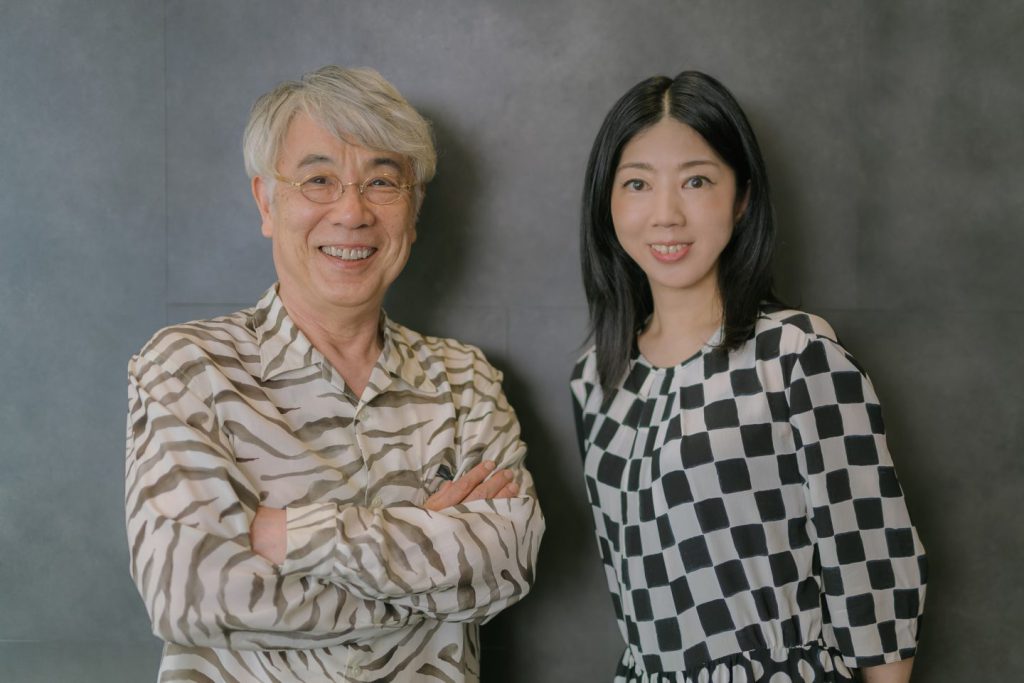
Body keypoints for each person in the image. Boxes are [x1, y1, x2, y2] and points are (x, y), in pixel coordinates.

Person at [125, 65, 544, 682]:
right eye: (318, 180)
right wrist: (431, 577)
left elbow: (509, 563)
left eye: (382, 182)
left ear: (413, 211)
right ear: (267, 202)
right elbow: (190, 595)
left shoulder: (466, 381)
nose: (351, 212)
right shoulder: (189, 367)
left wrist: (291, 534)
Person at [570, 71, 926, 682]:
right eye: (637, 184)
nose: (666, 215)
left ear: (741, 198)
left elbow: (872, 562)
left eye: (696, 181)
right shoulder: (596, 378)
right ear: (608, 203)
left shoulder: (794, 354)